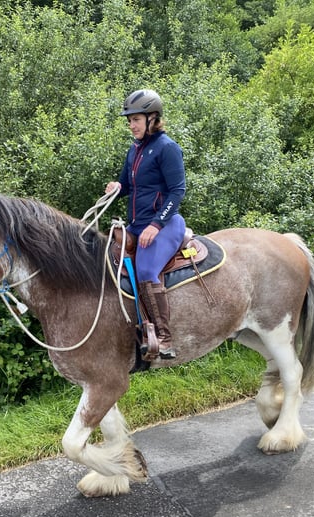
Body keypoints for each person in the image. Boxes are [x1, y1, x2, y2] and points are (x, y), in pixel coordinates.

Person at [105, 89, 186, 359]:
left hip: (165, 225)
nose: (131, 125)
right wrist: (117, 187)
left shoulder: (167, 148)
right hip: (136, 226)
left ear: (153, 118)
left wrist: (156, 225)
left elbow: (177, 191)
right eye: (129, 120)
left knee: (146, 270)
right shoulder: (135, 150)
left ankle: (165, 337)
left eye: (136, 119)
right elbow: (128, 185)